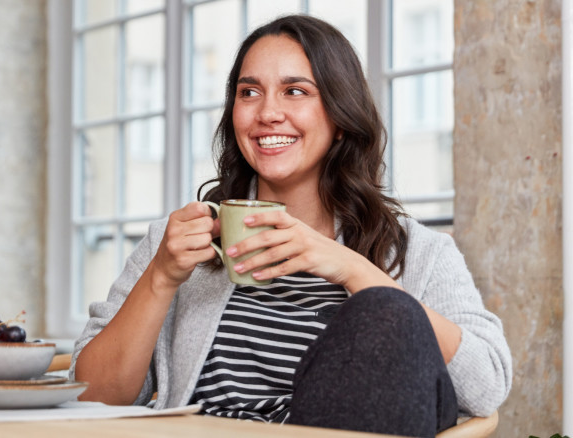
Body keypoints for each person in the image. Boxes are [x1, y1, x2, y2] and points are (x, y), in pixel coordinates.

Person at [70, 14, 512, 437]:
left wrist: (351, 269)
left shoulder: (419, 252)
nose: (268, 113)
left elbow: (486, 384)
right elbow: (92, 397)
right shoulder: (178, 244)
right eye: (249, 92)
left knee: (386, 310)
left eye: (295, 91)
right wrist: (161, 277)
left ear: (340, 119)